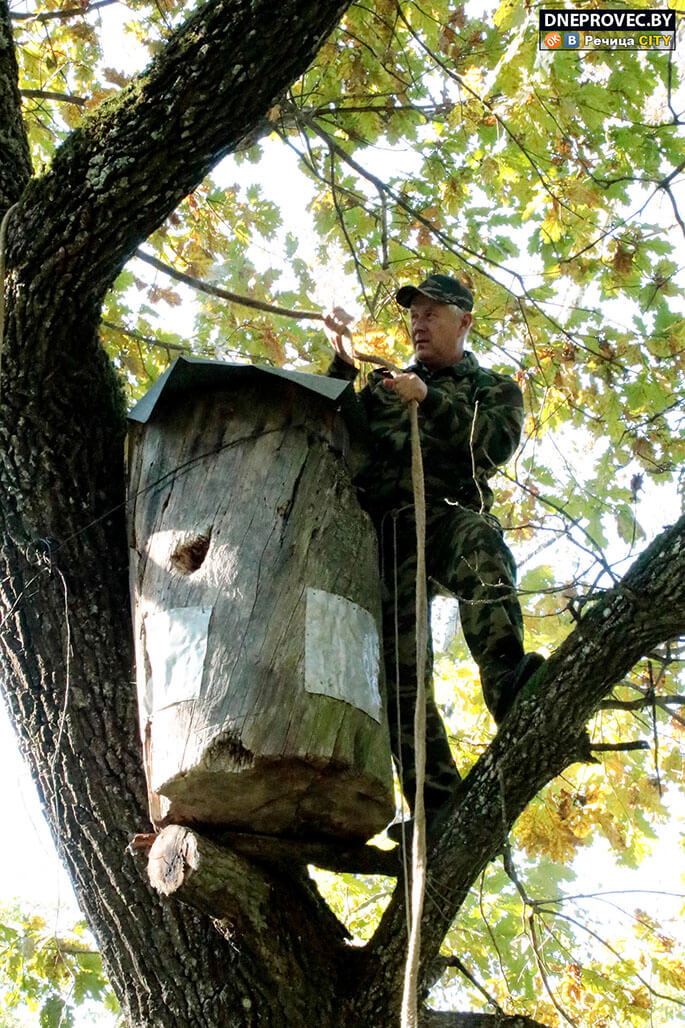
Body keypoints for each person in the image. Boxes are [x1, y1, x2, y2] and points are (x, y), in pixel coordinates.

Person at [325, 274, 544, 826]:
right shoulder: (385, 386)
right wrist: (344, 365)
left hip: (447, 514)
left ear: (464, 322)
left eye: (432, 313)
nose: (418, 324)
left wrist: (432, 401)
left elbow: (493, 447)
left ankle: (510, 688)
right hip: (391, 532)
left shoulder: (492, 388)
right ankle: (434, 801)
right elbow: (338, 434)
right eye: (413, 315)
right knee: (399, 669)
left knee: (481, 548)